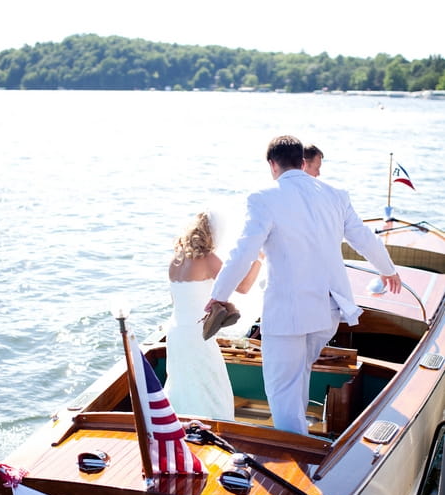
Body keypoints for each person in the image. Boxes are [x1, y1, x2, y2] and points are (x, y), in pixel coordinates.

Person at [205, 135, 401, 435]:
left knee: (282, 390)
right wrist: (388, 270)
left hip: (288, 316)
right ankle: (302, 438)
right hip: (327, 312)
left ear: (273, 165)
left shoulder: (263, 198)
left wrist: (217, 296)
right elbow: (364, 237)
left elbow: (243, 252)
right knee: (298, 378)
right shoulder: (336, 194)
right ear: (301, 161)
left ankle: (295, 460)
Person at [164, 211, 262, 420]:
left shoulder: (176, 260)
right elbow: (243, 286)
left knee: (183, 384)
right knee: (212, 385)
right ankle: (215, 427)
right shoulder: (208, 259)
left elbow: (178, 300)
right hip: (198, 334)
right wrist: (258, 260)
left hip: (176, 331)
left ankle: (182, 425)